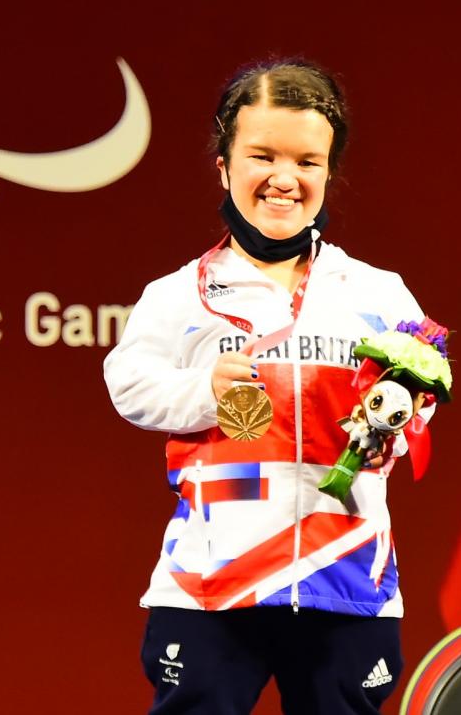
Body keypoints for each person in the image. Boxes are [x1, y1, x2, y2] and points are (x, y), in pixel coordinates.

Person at [103, 60, 437, 714]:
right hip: (211, 584)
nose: (285, 178)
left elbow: (421, 403)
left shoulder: (379, 293)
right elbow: (130, 383)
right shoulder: (178, 296)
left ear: (328, 173)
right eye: (262, 155)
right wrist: (205, 392)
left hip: (347, 579)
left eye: (308, 162)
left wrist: (395, 424)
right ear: (224, 166)